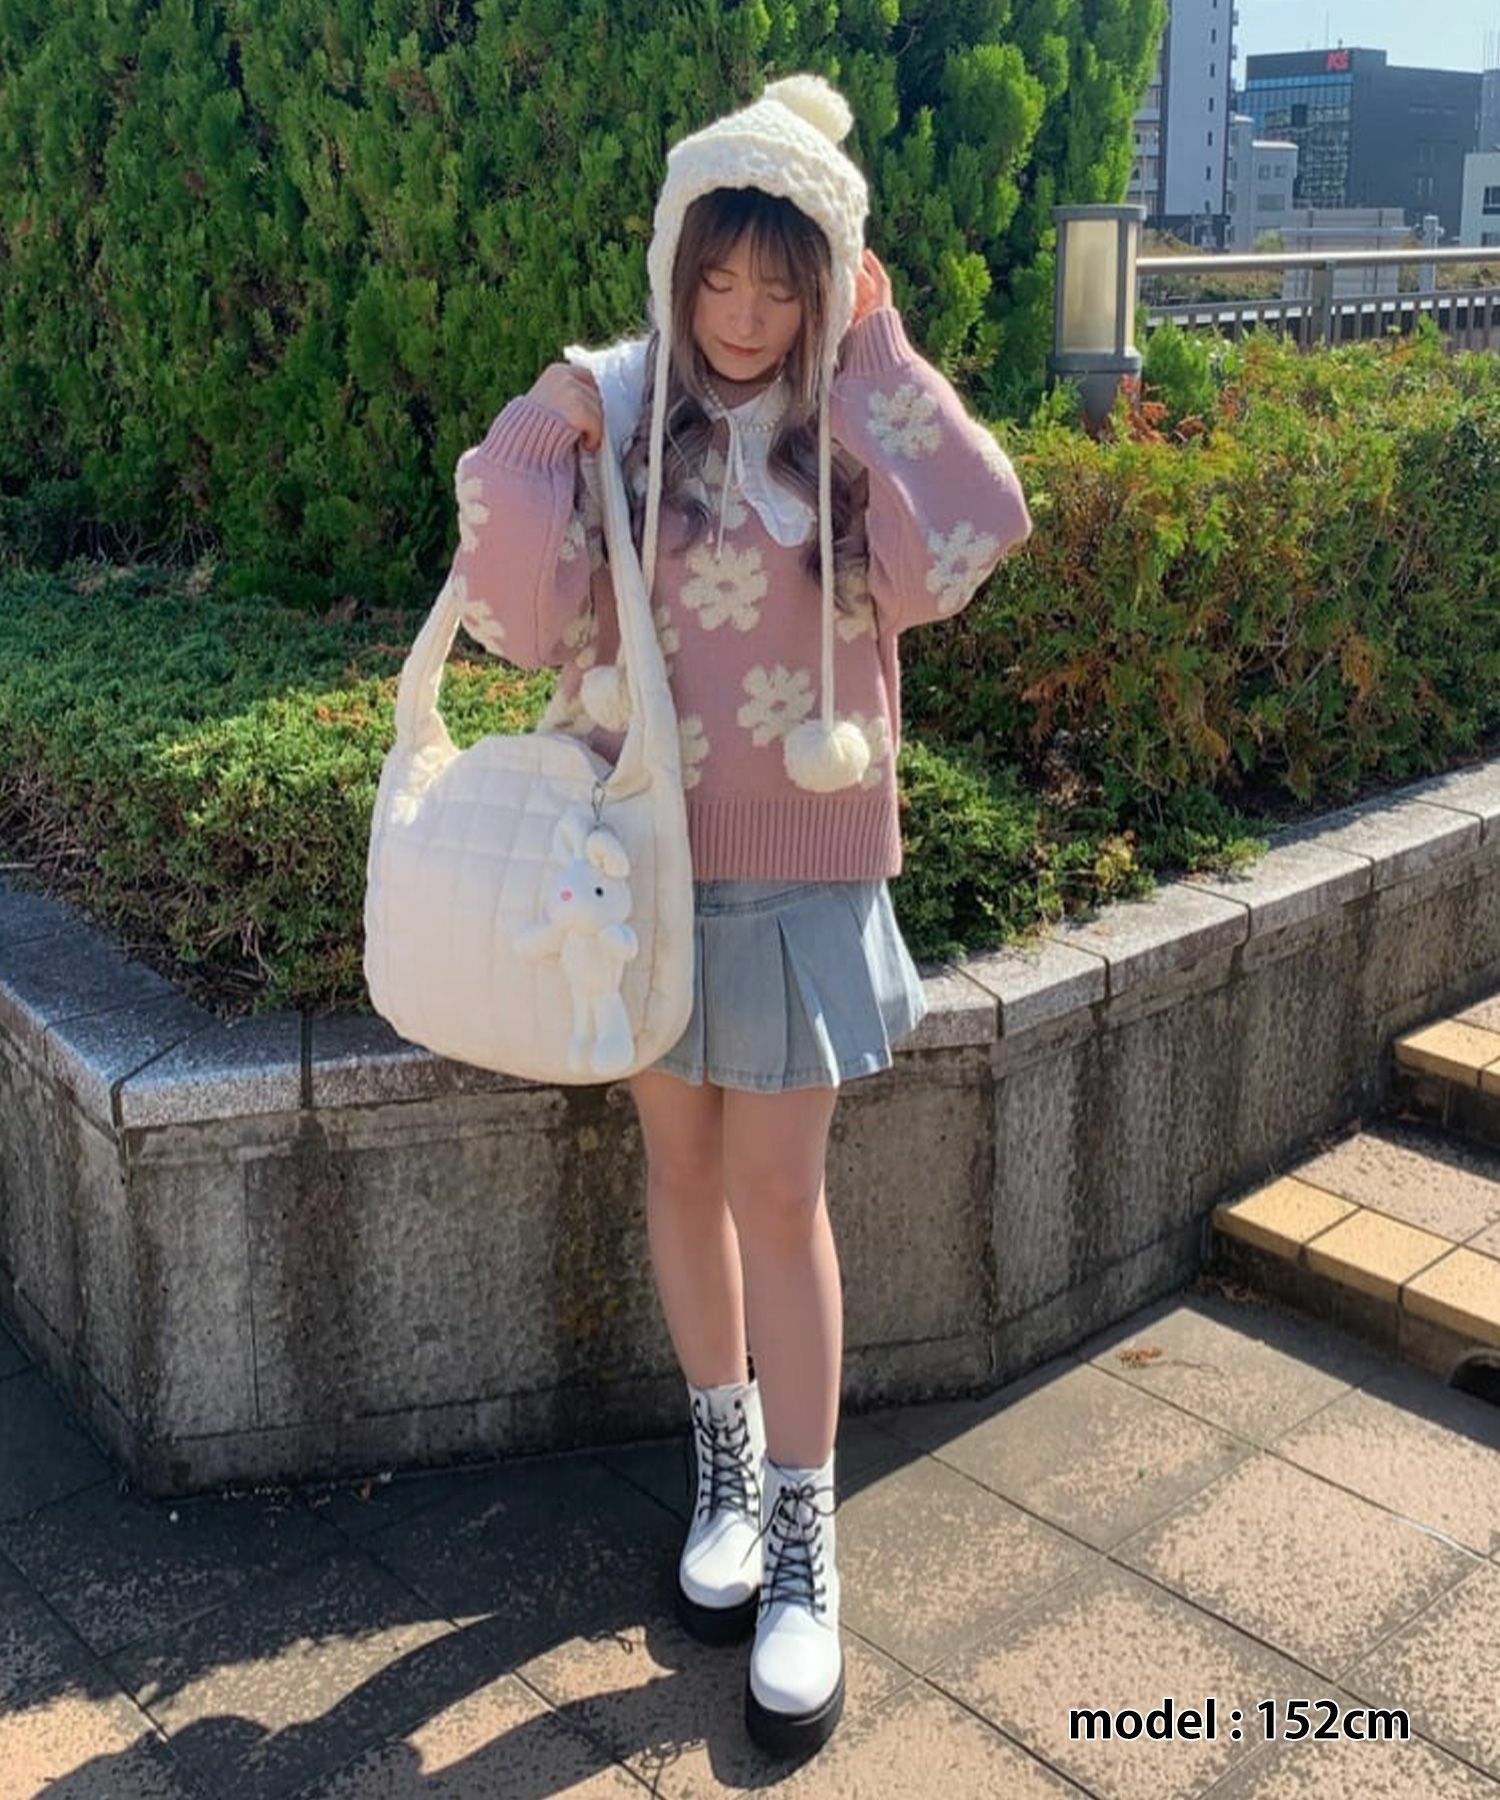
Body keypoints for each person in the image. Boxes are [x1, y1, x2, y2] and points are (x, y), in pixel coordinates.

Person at [443, 73, 1032, 1758]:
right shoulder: (635, 429)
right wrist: (547, 418)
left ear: (825, 281)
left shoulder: (855, 432)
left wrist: (882, 353)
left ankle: (800, 1535)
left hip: (805, 864)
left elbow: (979, 530)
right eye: (718, 277)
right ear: (677, 268)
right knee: (683, 1170)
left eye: (783, 281)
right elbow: (509, 607)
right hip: (640, 861)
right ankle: (721, 1460)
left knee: (780, 1192)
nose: (746, 315)